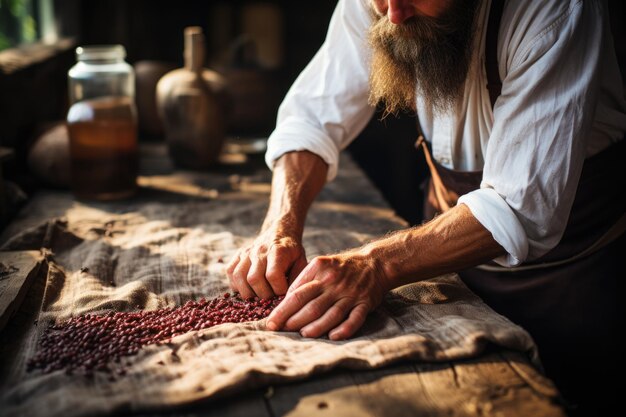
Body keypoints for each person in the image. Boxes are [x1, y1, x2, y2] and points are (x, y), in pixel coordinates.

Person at [226, 1, 626, 415]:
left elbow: (518, 205)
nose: (394, 15)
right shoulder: (383, 6)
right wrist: (280, 225)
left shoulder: (555, 10)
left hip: (570, 281)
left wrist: (376, 263)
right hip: (447, 275)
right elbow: (311, 117)